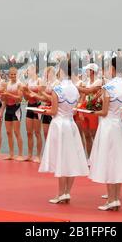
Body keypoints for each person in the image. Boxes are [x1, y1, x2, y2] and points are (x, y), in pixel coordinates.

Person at [89, 56, 122, 211]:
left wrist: (91, 111)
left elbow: (103, 111)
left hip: (108, 126)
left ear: (114, 68)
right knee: (118, 160)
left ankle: (111, 199)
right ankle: (115, 198)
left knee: (109, 160)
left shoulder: (109, 86)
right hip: (120, 124)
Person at [39, 59, 89, 204]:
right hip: (70, 124)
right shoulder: (75, 88)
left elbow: (54, 110)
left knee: (62, 158)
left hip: (59, 124)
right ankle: (67, 192)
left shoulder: (58, 88)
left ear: (61, 71)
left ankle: (61, 193)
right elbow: (73, 108)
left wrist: (45, 110)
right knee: (71, 158)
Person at [77, 63, 103, 157]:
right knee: (87, 135)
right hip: (85, 109)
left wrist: (76, 87)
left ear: (92, 71)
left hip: (94, 109)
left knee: (94, 135)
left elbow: (88, 92)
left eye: (87, 70)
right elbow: (83, 96)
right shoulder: (86, 82)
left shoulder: (99, 82)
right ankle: (89, 158)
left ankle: (96, 158)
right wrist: (80, 110)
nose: (86, 72)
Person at [1, 67, 25, 161]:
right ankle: (11, 154)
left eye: (15, 74)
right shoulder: (7, 84)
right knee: (8, 132)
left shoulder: (20, 84)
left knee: (16, 132)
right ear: (9, 75)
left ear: (17, 75)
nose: (13, 76)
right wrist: (3, 96)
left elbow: (19, 98)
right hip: (8, 109)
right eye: (11, 74)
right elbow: (4, 99)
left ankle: (20, 154)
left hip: (16, 109)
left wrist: (8, 94)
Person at [23, 65, 43, 163]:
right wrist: (24, 92)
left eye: (29, 70)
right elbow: (26, 98)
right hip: (29, 106)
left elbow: (40, 96)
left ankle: (38, 155)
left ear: (34, 70)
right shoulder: (28, 82)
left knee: (37, 133)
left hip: (37, 106)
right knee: (29, 133)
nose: (28, 71)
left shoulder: (39, 80)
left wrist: (29, 91)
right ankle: (30, 155)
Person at [36, 66, 60, 140]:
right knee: (45, 132)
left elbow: (53, 99)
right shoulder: (47, 83)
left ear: (52, 73)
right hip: (46, 108)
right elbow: (45, 99)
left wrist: (42, 93)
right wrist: (33, 95)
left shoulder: (57, 83)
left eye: (47, 73)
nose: (45, 75)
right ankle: (48, 150)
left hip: (54, 109)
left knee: (54, 135)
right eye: (45, 73)